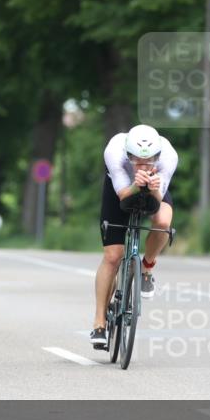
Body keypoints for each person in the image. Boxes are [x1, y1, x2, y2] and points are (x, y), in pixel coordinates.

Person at [91, 124, 178, 350]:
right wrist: (136, 184)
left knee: (163, 223)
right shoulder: (114, 151)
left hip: (154, 188)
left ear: (157, 156)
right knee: (113, 256)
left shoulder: (168, 156)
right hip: (120, 190)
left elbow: (156, 202)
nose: (143, 165)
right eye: (137, 160)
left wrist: (153, 188)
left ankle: (146, 268)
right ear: (128, 155)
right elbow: (123, 196)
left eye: (149, 161)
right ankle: (99, 322)